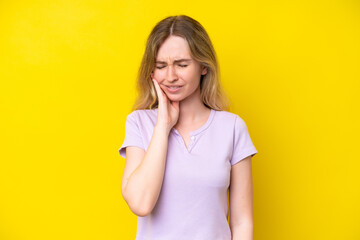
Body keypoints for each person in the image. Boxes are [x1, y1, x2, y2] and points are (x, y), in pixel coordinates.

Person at [118, 15, 258, 240]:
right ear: (151, 72)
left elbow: (242, 222)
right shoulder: (139, 123)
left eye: (182, 65)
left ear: (203, 66)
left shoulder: (232, 128)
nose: (171, 76)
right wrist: (163, 126)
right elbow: (140, 203)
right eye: (161, 66)